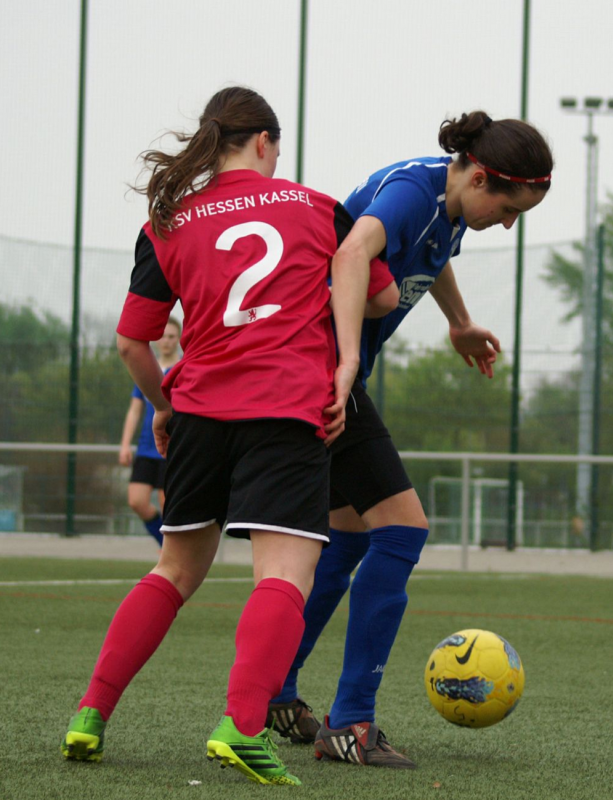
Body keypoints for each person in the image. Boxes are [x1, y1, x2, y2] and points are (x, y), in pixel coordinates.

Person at [60, 86, 395, 786]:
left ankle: (90, 714)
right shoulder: (318, 207)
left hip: (200, 415)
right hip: (286, 410)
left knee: (173, 571)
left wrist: (165, 406)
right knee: (284, 576)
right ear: (265, 142)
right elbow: (381, 295)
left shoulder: (167, 220)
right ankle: (241, 727)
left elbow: (131, 343)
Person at [267, 111, 554, 768]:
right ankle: (350, 723)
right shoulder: (410, 192)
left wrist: (458, 322)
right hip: (316, 370)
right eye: (509, 209)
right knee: (402, 530)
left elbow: (432, 253)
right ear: (478, 178)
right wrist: (346, 362)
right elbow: (350, 253)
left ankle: (274, 694)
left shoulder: (445, 205)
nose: (508, 224)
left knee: (348, 536)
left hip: (317, 371)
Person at [118, 317, 181, 546]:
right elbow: (135, 410)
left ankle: (171, 555)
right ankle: (165, 547)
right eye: (163, 336)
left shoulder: (182, 370)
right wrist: (125, 444)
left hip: (171, 447)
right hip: (146, 448)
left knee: (167, 505)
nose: (166, 341)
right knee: (136, 501)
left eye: (171, 336)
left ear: (179, 339)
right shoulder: (147, 370)